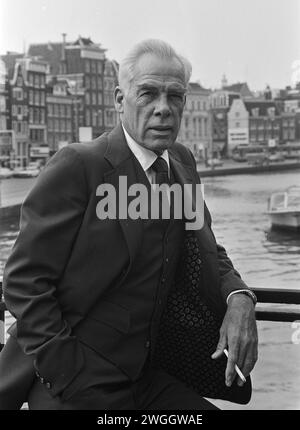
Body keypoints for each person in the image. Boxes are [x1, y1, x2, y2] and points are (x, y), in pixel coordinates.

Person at [0, 39, 258, 410]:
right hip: (76, 379)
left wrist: (239, 298)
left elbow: (207, 252)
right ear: (120, 100)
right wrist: (66, 369)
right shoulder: (79, 165)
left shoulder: (181, 164)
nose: (163, 109)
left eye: (175, 97)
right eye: (148, 94)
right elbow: (24, 282)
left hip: (147, 376)